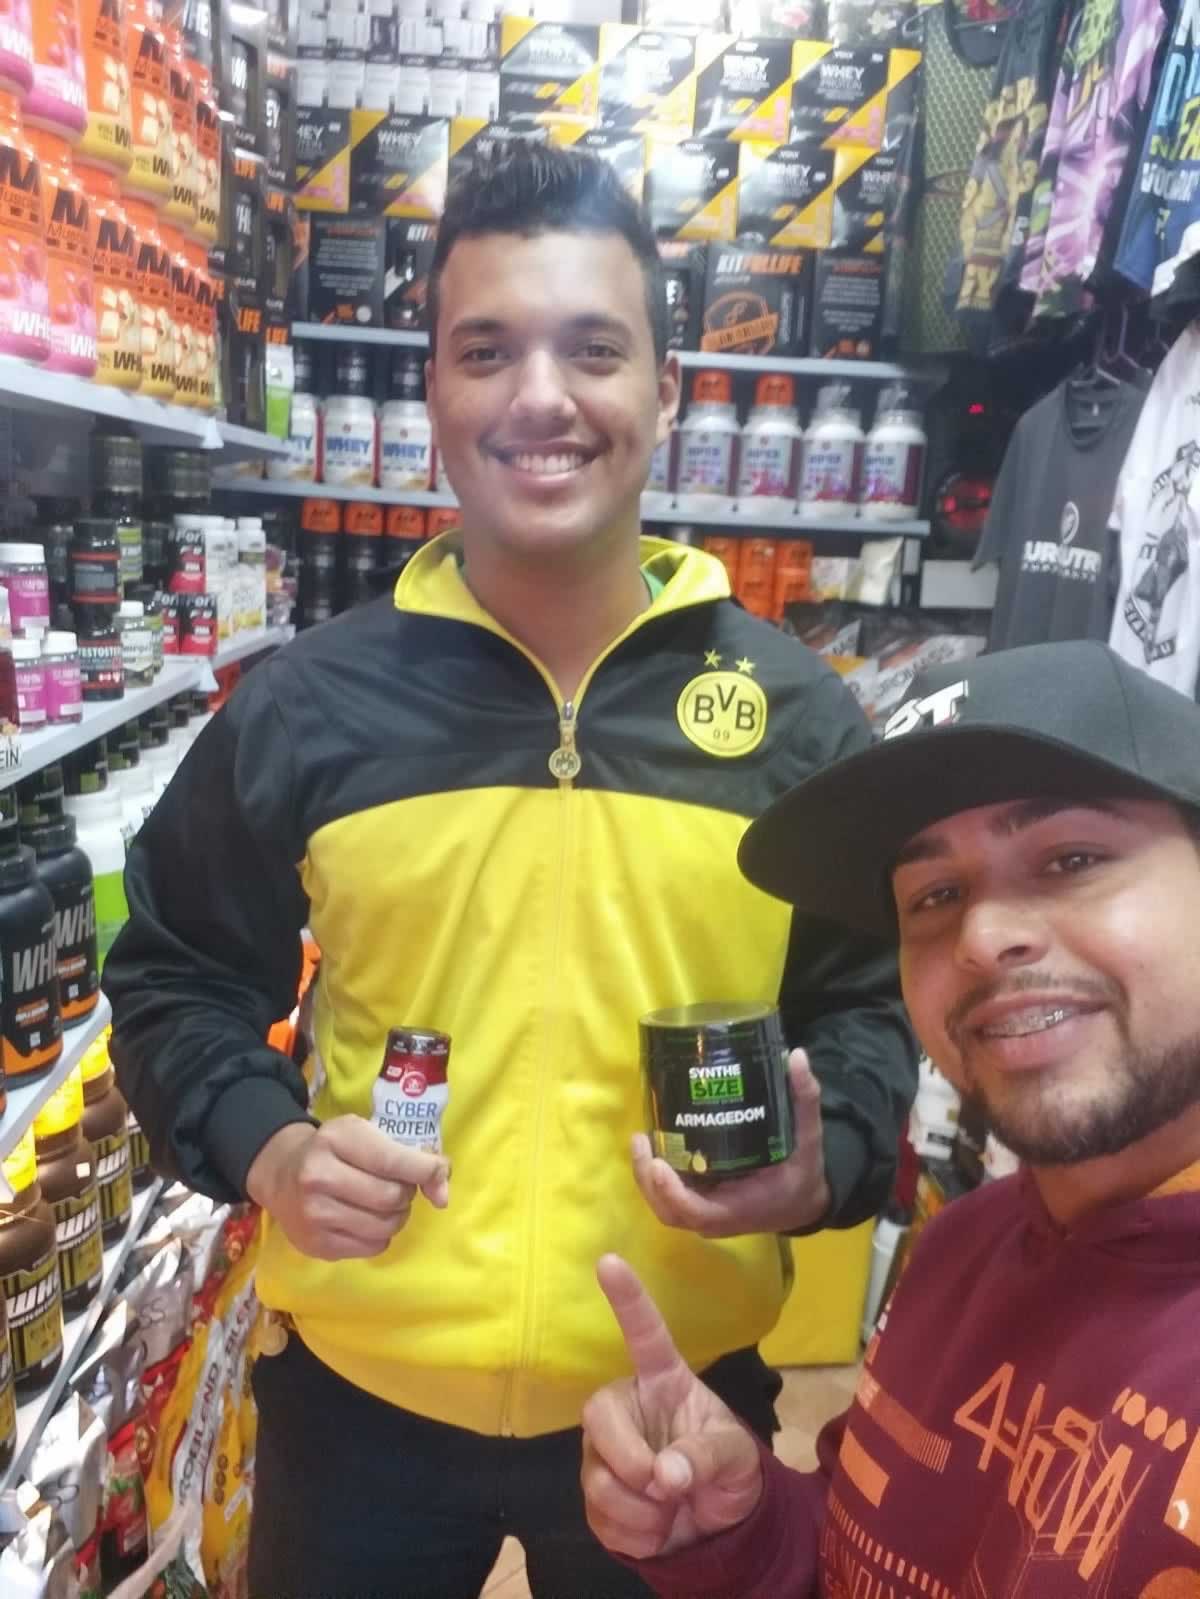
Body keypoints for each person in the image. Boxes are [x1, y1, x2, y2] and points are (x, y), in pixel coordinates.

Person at [103, 144, 916, 1599]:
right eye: (487, 351)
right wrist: (271, 1149)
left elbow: (873, 1000)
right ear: (433, 392)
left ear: (669, 388)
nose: (541, 397)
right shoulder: (309, 706)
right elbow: (175, 977)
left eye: (593, 349)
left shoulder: (797, 720)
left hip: (672, 1404)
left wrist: (827, 1158)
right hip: (356, 1404)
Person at [581, 638, 1200, 1599]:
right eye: (935, 895)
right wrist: (743, 1529)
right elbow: (853, 1552)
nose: (982, 937)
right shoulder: (960, 1249)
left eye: (1072, 858)